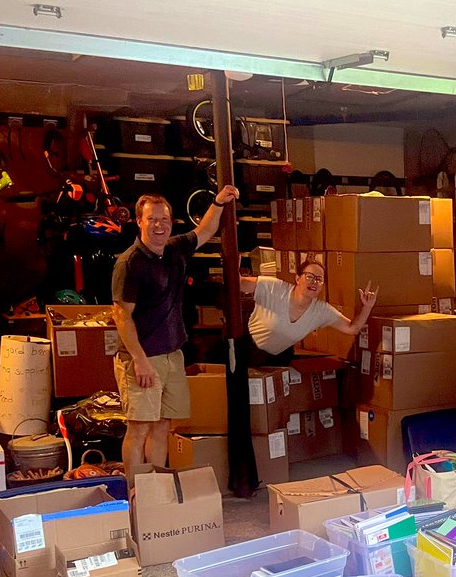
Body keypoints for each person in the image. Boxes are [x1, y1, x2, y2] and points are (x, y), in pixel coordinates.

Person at [111, 186, 239, 477]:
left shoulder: (174, 249)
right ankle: (136, 490)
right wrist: (140, 360)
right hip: (142, 358)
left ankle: (155, 483)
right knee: (139, 427)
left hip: (172, 355)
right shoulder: (130, 263)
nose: (159, 225)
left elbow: (205, 230)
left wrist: (218, 201)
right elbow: (121, 315)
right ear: (139, 221)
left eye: (164, 220)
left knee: (162, 425)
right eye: (152, 219)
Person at [238, 259, 378, 366]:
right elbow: (239, 283)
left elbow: (352, 328)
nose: (314, 282)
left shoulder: (321, 311)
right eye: (309, 277)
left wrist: (367, 307)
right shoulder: (273, 287)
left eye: (319, 279)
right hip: (247, 349)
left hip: (277, 359)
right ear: (298, 278)